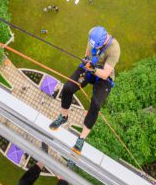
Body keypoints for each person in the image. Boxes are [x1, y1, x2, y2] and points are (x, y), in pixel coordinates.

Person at [49, 25, 120, 155]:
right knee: (68, 88)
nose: (95, 48)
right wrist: (87, 62)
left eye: (97, 47)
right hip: (90, 68)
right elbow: (87, 55)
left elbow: (104, 74)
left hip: (104, 77)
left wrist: (93, 69)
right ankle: (63, 117)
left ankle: (81, 138)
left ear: (103, 42)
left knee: (96, 104)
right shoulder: (93, 37)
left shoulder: (114, 49)